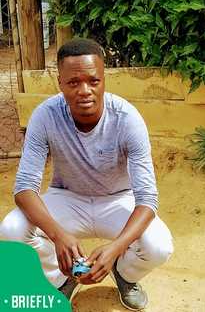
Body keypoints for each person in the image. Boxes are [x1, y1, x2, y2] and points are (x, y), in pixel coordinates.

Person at [0, 38, 173, 311]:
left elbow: (147, 198)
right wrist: (58, 235)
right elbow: (24, 188)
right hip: (67, 197)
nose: (85, 91)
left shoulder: (127, 118)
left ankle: (125, 275)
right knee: (11, 230)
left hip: (118, 199)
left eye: (93, 81)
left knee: (159, 246)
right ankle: (61, 279)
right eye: (73, 82)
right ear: (60, 83)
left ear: (104, 80)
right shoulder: (45, 115)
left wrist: (116, 248)